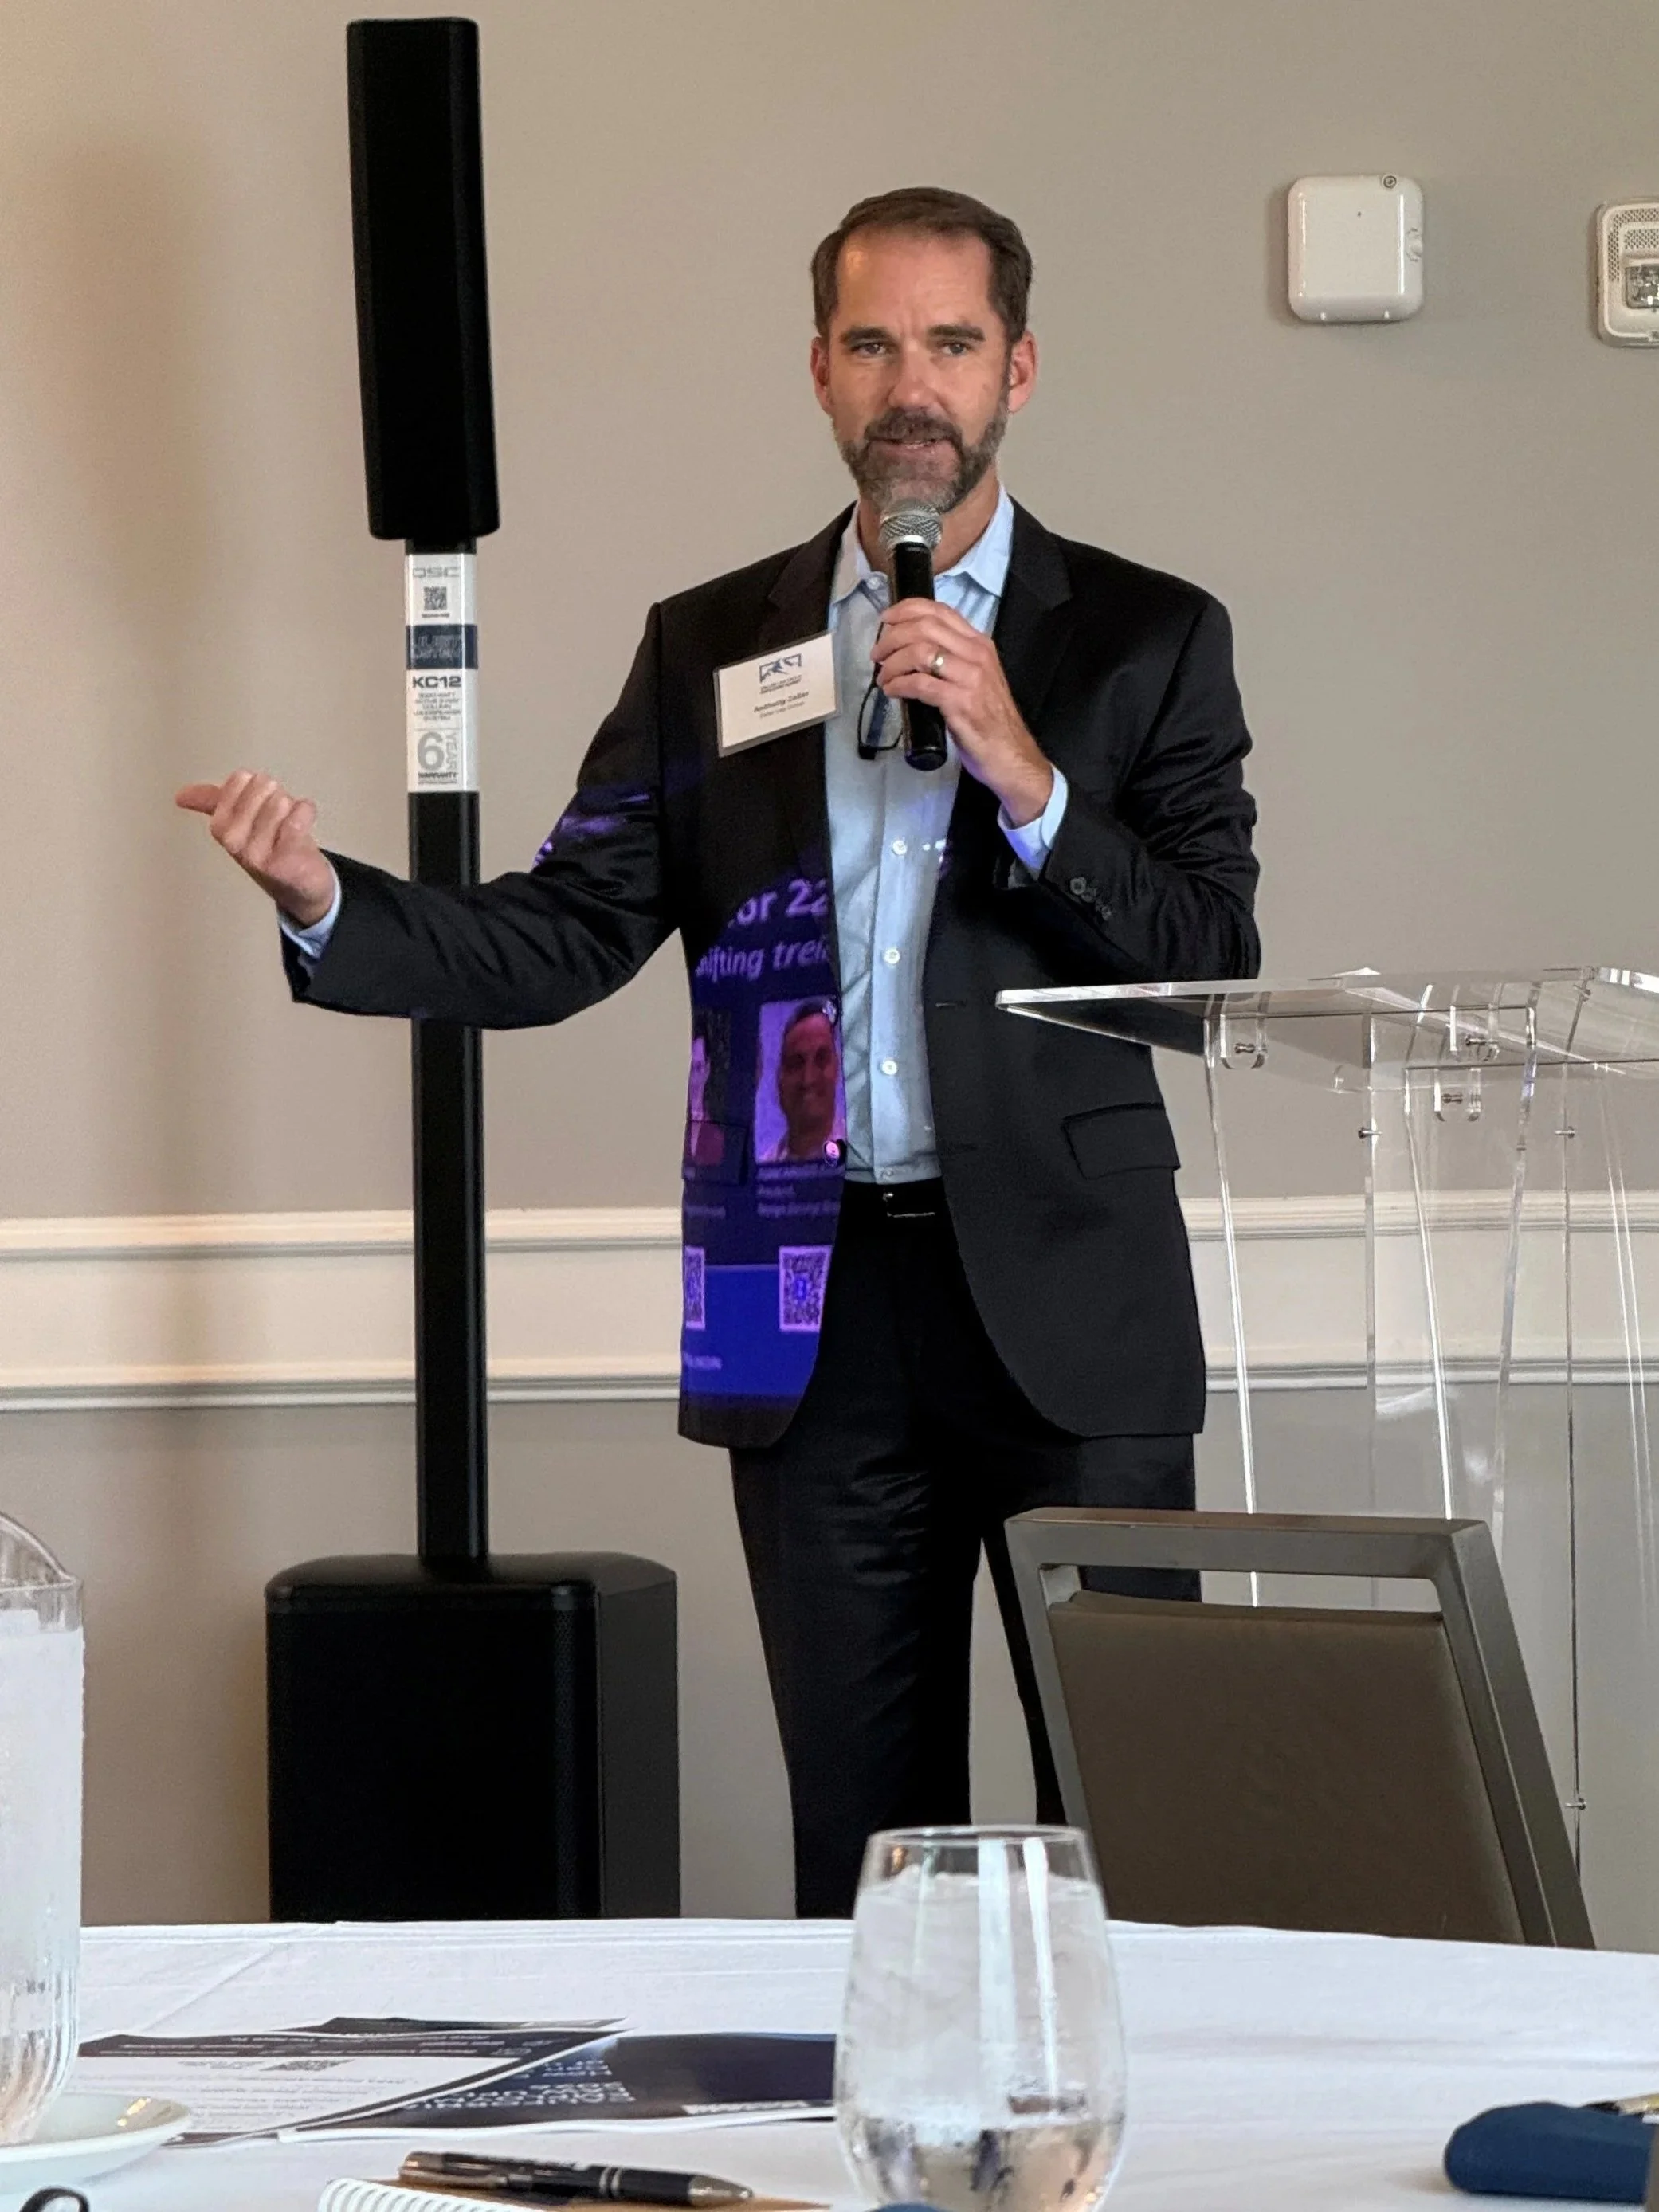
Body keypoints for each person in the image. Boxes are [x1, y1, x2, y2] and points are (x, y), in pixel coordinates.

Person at [178, 186, 1260, 1916]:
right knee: (864, 1846)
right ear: (822, 376)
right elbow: (565, 930)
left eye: (953, 343)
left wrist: (1018, 762)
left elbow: (1206, 955)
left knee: (1132, 1839)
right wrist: (330, 899)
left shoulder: (1141, 636)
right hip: (812, 1318)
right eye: (874, 343)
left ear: (1021, 369)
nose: (915, 384)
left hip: (1074, 1307)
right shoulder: (714, 645)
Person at [765, 1002, 844, 1164]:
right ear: (780, 1079)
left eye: (821, 1059)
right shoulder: (765, 1164)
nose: (808, 1079)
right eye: (796, 1063)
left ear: (837, 1067)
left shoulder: (859, 1152)